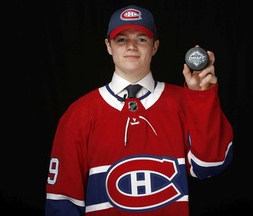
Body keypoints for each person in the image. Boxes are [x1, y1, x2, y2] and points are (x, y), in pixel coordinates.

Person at [45, 4, 233, 216]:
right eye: (122, 39)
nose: (131, 46)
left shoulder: (183, 101)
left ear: (154, 47)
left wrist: (201, 97)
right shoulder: (79, 114)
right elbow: (62, 202)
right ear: (108, 46)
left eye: (141, 39)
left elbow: (208, 166)